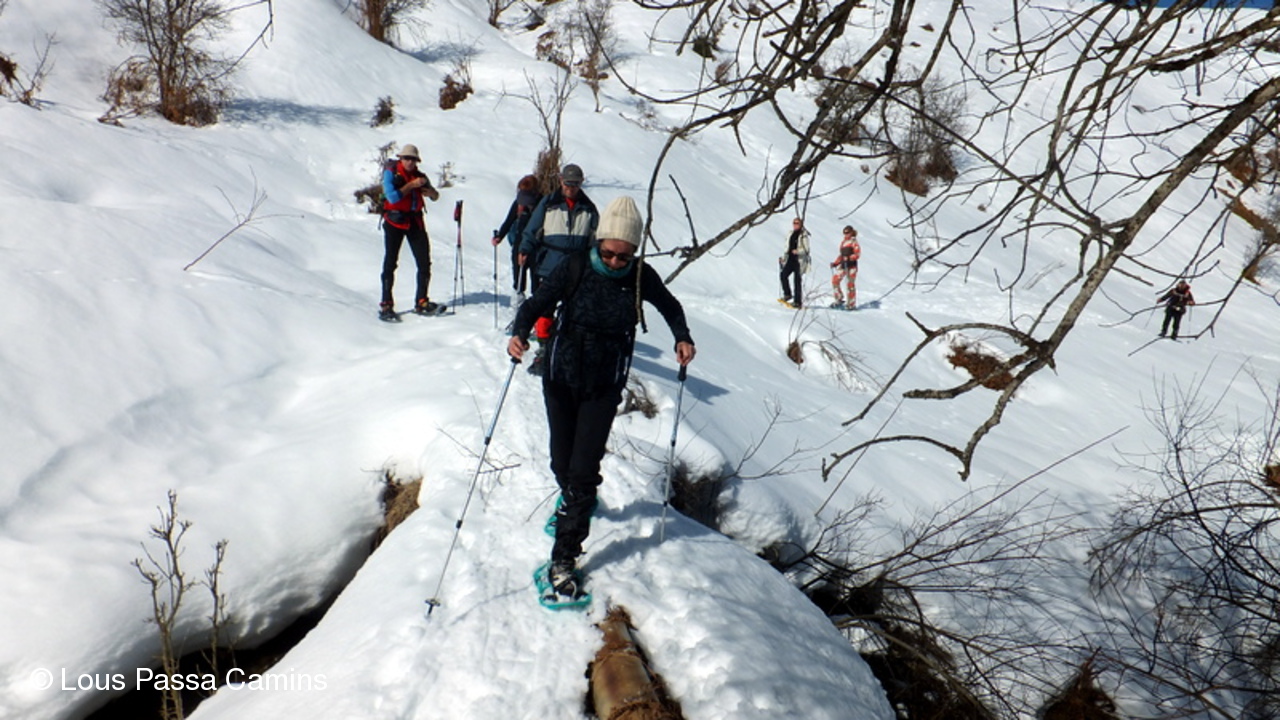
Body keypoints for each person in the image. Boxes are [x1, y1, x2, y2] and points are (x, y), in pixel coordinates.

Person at [508, 195, 696, 601]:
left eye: (623, 256)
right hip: (560, 376)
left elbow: (670, 306)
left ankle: (564, 557)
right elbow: (537, 303)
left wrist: (682, 336)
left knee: (582, 470)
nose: (614, 262)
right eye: (609, 253)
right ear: (599, 242)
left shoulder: (640, 276)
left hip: (604, 383)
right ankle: (575, 500)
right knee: (562, 462)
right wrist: (519, 333)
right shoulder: (575, 265)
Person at [518, 164, 600, 373]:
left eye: (575, 183)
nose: (570, 187)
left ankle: (568, 350)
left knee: (574, 311)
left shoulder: (589, 208)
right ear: (561, 181)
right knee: (545, 308)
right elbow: (532, 228)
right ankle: (543, 350)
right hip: (549, 265)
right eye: (567, 183)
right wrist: (525, 248)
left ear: (581, 183)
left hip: (577, 268)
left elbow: (595, 239)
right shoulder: (548, 203)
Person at [378, 144, 441, 321]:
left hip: (415, 221)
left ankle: (422, 301)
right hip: (394, 221)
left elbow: (436, 196)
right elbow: (392, 197)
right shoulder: (391, 173)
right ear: (401, 159)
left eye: (413, 159)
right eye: (407, 158)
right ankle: (386, 304)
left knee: (424, 262)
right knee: (390, 262)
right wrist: (411, 185)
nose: (410, 162)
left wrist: (431, 192)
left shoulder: (420, 176)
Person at [492, 175, 543, 308]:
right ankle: (518, 307)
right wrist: (500, 236)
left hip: (536, 247)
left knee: (536, 280)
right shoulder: (518, 203)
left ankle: (536, 308)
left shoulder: (542, 204)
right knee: (518, 279)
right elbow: (509, 220)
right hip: (519, 245)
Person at [778, 217, 810, 309]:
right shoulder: (791, 234)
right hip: (790, 259)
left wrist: (798, 251)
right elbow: (787, 248)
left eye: (797, 223)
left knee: (797, 281)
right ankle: (787, 294)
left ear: (801, 225)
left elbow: (806, 249)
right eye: (794, 223)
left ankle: (797, 301)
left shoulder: (803, 235)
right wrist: (784, 258)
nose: (795, 225)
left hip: (799, 260)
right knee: (783, 275)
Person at [829, 225, 861, 310]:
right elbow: (841, 255)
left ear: (851, 232)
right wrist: (835, 263)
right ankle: (839, 298)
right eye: (844, 233)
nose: (846, 234)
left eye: (847, 233)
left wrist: (850, 257)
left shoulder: (854, 242)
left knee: (850, 284)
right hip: (843, 265)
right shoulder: (843, 242)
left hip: (851, 266)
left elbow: (857, 254)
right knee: (835, 280)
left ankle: (851, 304)